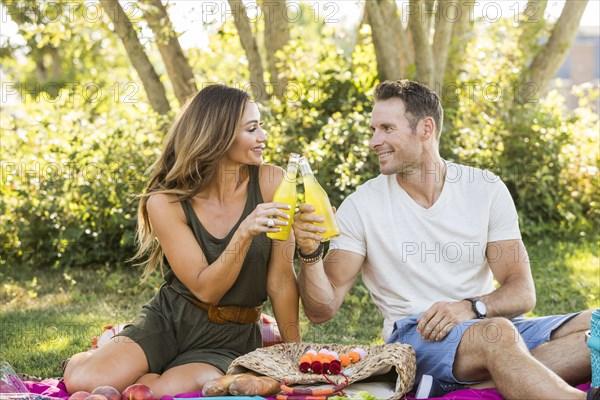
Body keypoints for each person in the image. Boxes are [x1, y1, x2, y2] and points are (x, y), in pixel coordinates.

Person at [292, 79, 595, 399]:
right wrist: (310, 253)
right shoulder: (361, 206)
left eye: (386, 128)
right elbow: (321, 310)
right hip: (415, 338)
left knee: (596, 324)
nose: (373, 141)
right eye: (373, 129)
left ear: (425, 128)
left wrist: (471, 308)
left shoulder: (485, 188)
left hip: (488, 325)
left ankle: (485, 383)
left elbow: (522, 292)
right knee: (498, 334)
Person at [64, 84, 301, 397]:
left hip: (232, 334)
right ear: (219, 135)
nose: (263, 136)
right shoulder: (166, 201)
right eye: (252, 128)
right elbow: (206, 288)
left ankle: (143, 364)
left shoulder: (272, 182)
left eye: (261, 126)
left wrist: (294, 355)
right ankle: (94, 355)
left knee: (167, 391)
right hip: (170, 320)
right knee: (85, 383)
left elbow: (281, 282)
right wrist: (244, 232)